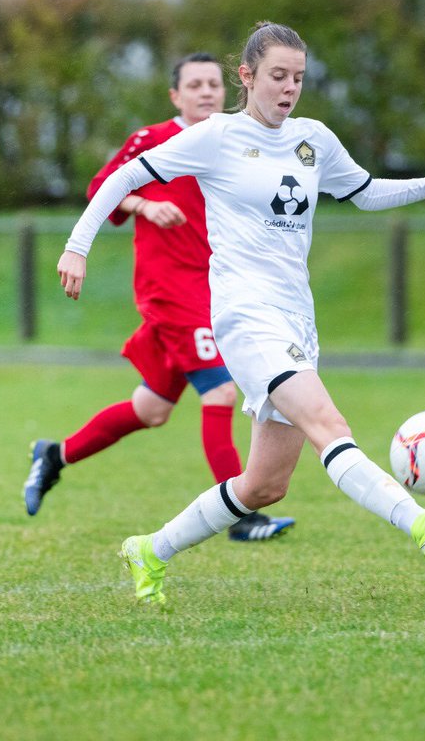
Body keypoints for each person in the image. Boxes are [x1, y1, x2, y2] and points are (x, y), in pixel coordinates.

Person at [58, 22, 425, 604]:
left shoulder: (313, 139)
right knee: (329, 426)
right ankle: (420, 523)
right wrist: (78, 245)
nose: (289, 88)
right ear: (247, 76)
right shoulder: (217, 136)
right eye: (278, 76)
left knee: (263, 486)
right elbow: (126, 176)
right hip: (245, 316)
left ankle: (149, 549)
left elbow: (362, 191)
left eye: (298, 78)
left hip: (295, 317)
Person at [24, 53, 293, 542]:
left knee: (151, 409)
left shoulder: (233, 139)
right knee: (222, 391)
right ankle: (240, 516)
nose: (207, 92)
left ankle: (54, 455)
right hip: (169, 290)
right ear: (176, 95)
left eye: (214, 83)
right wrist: (145, 204)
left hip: (214, 289)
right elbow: (99, 187)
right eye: (195, 85)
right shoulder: (153, 139)